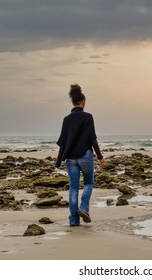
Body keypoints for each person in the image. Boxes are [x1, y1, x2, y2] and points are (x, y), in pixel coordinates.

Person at [55, 84, 105, 227]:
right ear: (82, 102)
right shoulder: (88, 117)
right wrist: (100, 157)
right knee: (89, 183)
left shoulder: (66, 119)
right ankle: (83, 208)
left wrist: (58, 162)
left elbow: (62, 142)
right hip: (85, 156)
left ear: (73, 102)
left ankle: (73, 220)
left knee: (73, 188)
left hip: (70, 159)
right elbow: (92, 139)